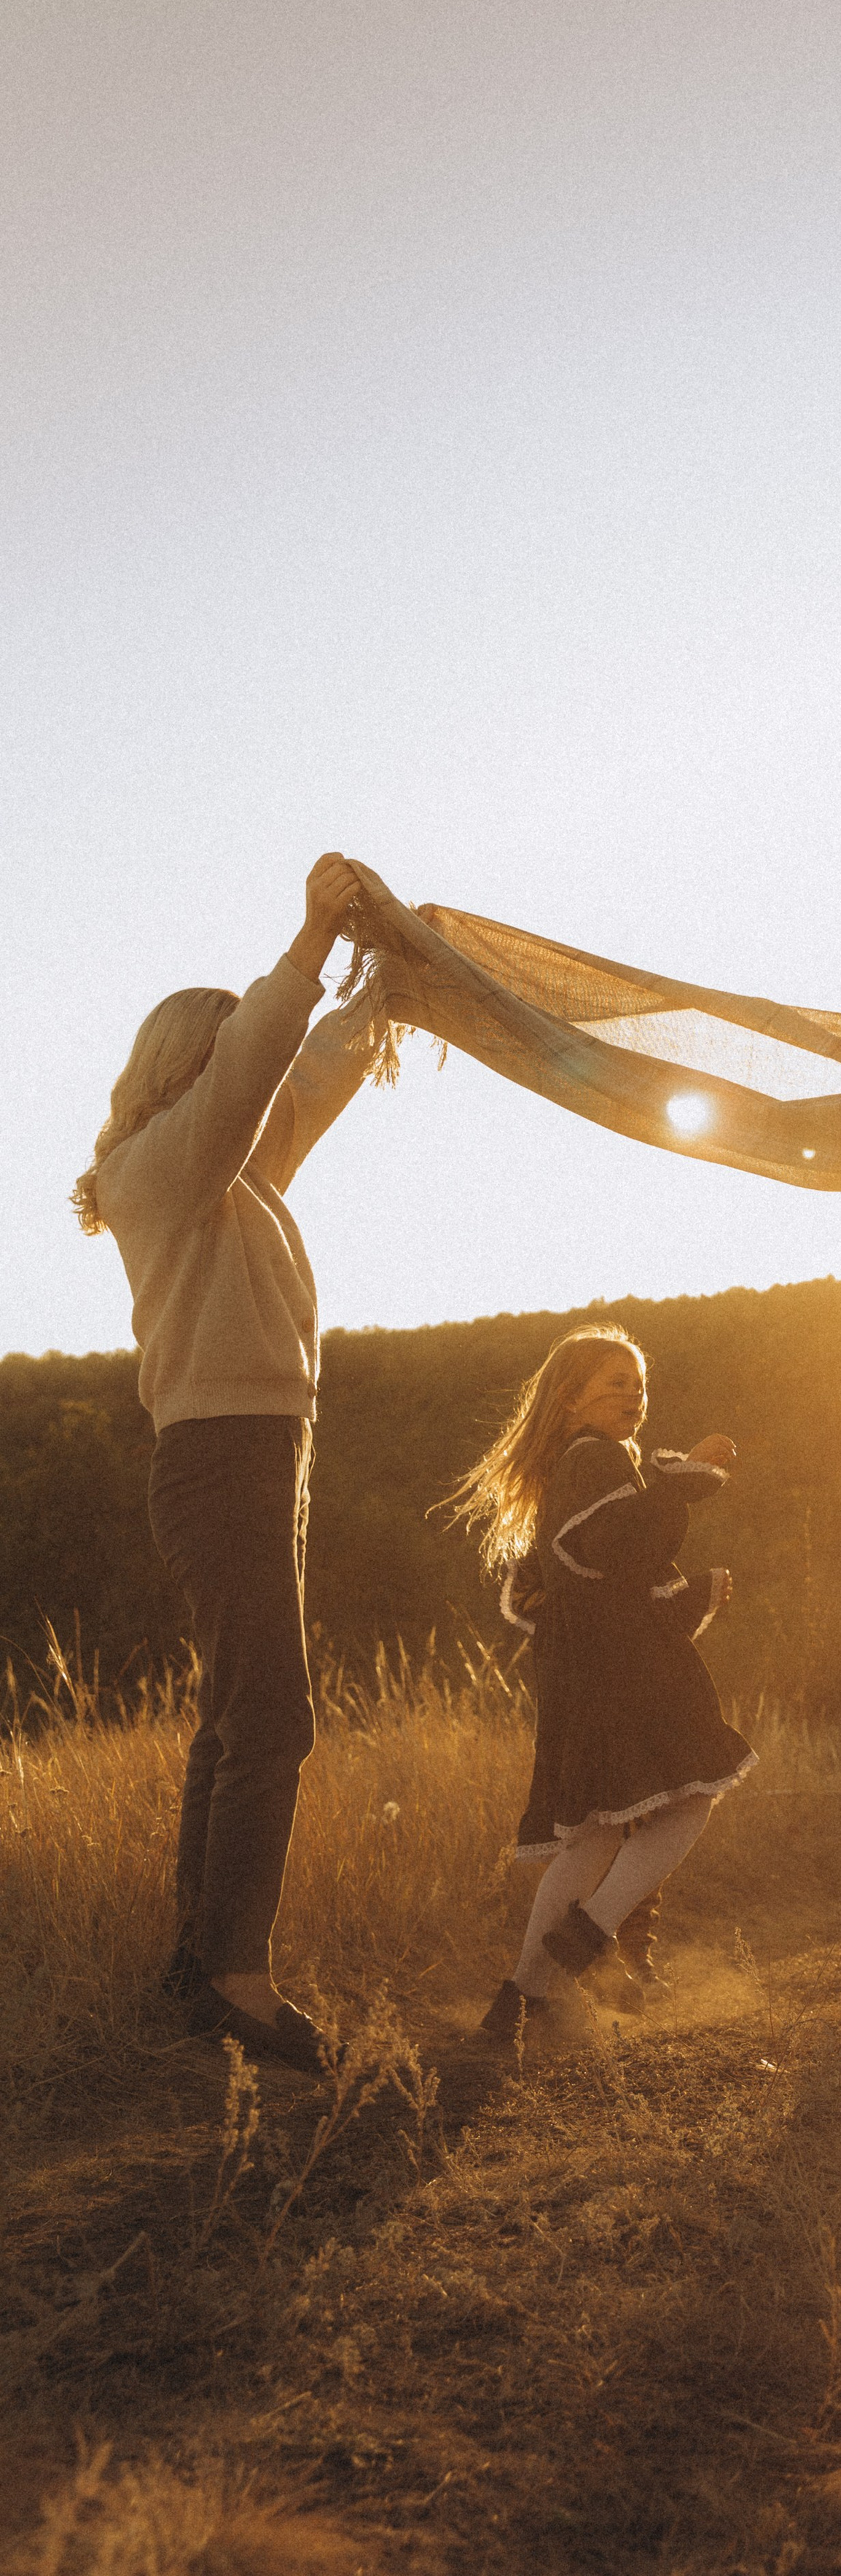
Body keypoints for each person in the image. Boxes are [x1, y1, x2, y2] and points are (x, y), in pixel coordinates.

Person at [73, 853, 373, 2074]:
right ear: (185, 1071)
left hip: (262, 1453)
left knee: (227, 1720)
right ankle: (238, 1978)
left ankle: (197, 1967)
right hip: (218, 1459)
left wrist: (379, 987)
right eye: (222, 1058)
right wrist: (305, 947)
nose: (241, 1081)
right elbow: (264, 1065)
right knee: (273, 1720)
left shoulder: (236, 1175)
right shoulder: (164, 1173)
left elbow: (306, 1075)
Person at [450, 1323, 756, 2040]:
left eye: (639, 1383)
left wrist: (697, 1594)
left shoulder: (576, 1466)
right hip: (626, 1679)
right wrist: (686, 1478)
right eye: (614, 1382)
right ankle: (592, 1929)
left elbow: (599, 1586)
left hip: (583, 1680)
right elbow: (619, 1548)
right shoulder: (599, 1459)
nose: (633, 1393)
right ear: (569, 1403)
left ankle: (518, 2004)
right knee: (692, 1801)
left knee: (588, 1839)